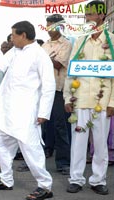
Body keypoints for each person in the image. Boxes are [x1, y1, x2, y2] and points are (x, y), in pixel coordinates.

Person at [0, 21, 55, 200]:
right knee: (1, 142)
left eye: (14, 35)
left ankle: (45, 186)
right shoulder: (15, 51)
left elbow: (49, 86)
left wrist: (43, 113)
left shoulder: (40, 55)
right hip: (8, 109)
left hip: (27, 111)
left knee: (31, 149)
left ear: (23, 35)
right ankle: (6, 179)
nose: (11, 38)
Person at [64, 1, 113, 195]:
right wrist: (68, 98)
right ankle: (76, 179)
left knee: (100, 144)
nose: (88, 18)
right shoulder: (79, 41)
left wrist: (112, 102)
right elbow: (71, 71)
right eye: (86, 15)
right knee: (78, 142)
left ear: (102, 16)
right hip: (80, 100)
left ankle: (98, 180)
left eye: (91, 14)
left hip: (103, 101)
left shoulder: (112, 41)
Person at [41, 14, 72, 174]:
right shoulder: (44, 45)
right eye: (47, 25)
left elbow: (58, 64)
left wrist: (46, 60)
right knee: (40, 125)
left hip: (58, 90)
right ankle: (36, 161)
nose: (48, 29)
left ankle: (63, 163)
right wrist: (48, 59)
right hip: (43, 90)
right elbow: (40, 64)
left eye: (51, 26)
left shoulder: (66, 44)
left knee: (60, 126)